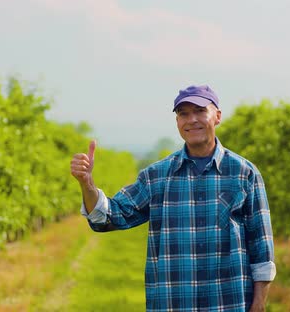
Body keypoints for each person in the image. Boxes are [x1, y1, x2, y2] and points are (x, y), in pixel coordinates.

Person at [70, 84, 276, 311]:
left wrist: (259, 303)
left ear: (217, 116)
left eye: (199, 111)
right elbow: (110, 216)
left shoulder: (244, 173)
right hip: (173, 302)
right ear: (177, 122)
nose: (192, 120)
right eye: (183, 114)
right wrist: (87, 184)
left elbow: (261, 247)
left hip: (228, 302)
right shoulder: (156, 176)